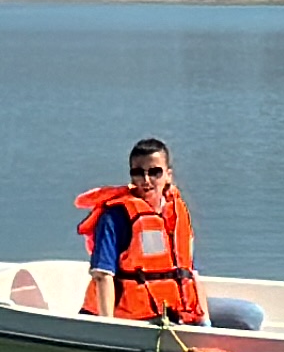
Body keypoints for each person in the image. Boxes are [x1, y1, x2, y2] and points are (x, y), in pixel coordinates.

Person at [73, 137, 206, 324]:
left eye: (154, 172)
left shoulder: (176, 213)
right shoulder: (116, 216)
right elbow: (103, 276)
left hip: (174, 312)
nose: (146, 180)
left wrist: (204, 322)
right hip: (131, 318)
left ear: (168, 175)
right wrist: (108, 328)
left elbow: (191, 273)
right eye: (138, 173)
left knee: (249, 315)